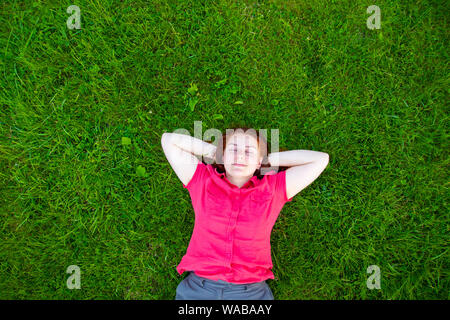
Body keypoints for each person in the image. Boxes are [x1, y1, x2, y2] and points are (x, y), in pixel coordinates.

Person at [161, 127, 329, 299]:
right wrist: (214, 151)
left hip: (250, 293)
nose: (240, 156)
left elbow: (320, 160)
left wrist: (268, 159)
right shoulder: (202, 180)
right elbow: (169, 140)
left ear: (258, 162)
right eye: (233, 149)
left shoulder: (274, 189)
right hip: (199, 289)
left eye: (249, 152)